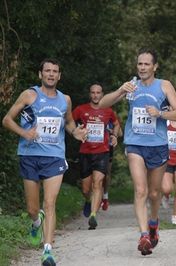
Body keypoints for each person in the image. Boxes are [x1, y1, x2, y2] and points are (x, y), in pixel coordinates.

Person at [98, 48, 176, 256]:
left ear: (155, 66)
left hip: (157, 145)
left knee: (155, 193)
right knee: (140, 190)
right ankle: (144, 235)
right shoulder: (131, 85)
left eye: (147, 64)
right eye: (140, 64)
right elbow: (101, 104)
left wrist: (160, 113)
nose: (142, 67)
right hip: (135, 143)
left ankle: (153, 223)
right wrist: (120, 90)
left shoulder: (164, 85)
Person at [2, 58, 87, 266]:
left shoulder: (64, 99)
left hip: (54, 156)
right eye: (47, 71)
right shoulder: (29, 95)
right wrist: (24, 132)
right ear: (40, 74)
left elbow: (68, 122)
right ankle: (35, 221)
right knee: (33, 208)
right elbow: (6, 120)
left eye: (54, 71)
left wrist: (75, 132)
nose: (50, 74)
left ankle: (47, 251)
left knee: (49, 203)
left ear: (59, 76)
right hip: (29, 156)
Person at [72, 83, 120, 229]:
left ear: (102, 94)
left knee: (98, 183)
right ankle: (88, 201)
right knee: (86, 189)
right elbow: (68, 122)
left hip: (102, 152)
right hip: (85, 152)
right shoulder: (80, 110)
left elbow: (117, 124)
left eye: (98, 93)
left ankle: (93, 215)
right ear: (90, 94)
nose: (95, 95)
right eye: (93, 93)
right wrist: (76, 131)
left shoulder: (108, 111)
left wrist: (114, 136)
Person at [101, 116, 123, 211]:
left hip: (107, 148)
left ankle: (105, 197)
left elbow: (120, 133)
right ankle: (93, 198)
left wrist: (112, 132)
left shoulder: (110, 114)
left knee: (106, 173)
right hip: (91, 147)